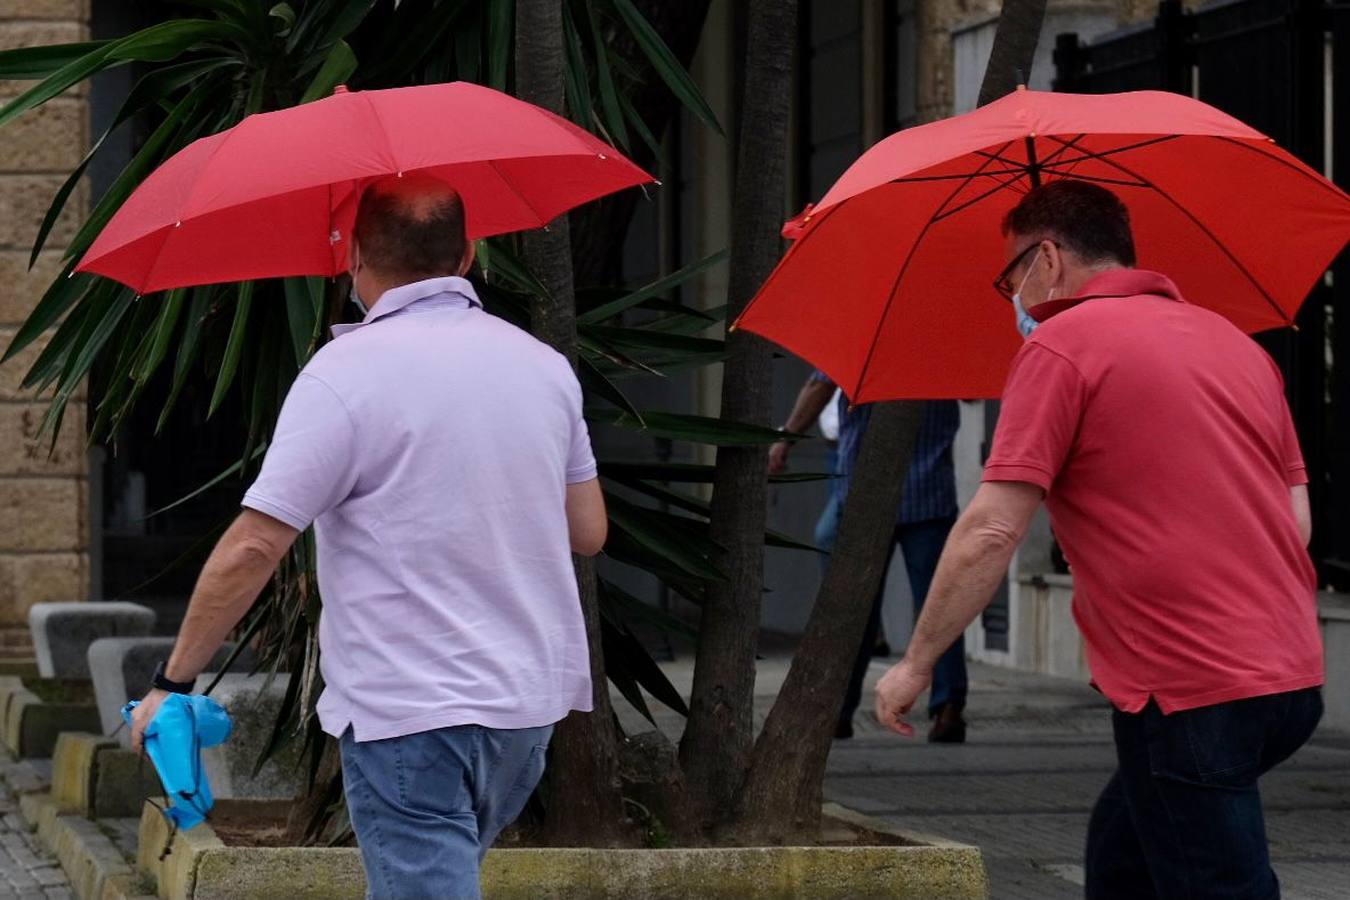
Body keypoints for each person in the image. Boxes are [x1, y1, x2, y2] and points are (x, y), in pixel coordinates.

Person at [129, 174, 608, 900]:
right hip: (525, 711)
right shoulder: (545, 368)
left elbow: (256, 546)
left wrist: (172, 683)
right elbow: (589, 531)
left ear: (352, 256)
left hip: (408, 713)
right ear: (469, 252)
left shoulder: (342, 377)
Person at [874, 179, 1324, 898]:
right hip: (1291, 676)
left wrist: (917, 663)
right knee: (1123, 861)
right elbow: (1294, 521)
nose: (1012, 295)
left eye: (1010, 274)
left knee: (1217, 882)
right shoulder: (1236, 346)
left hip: (1186, 684)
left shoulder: (1062, 346)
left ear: (1047, 259)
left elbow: (992, 527)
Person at [771, 374, 966, 742]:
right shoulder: (942, 334)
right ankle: (948, 708)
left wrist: (786, 436)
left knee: (852, 607)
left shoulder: (868, 326)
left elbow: (819, 385)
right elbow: (971, 396)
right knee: (942, 605)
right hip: (930, 490)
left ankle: (838, 710)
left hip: (867, 490)